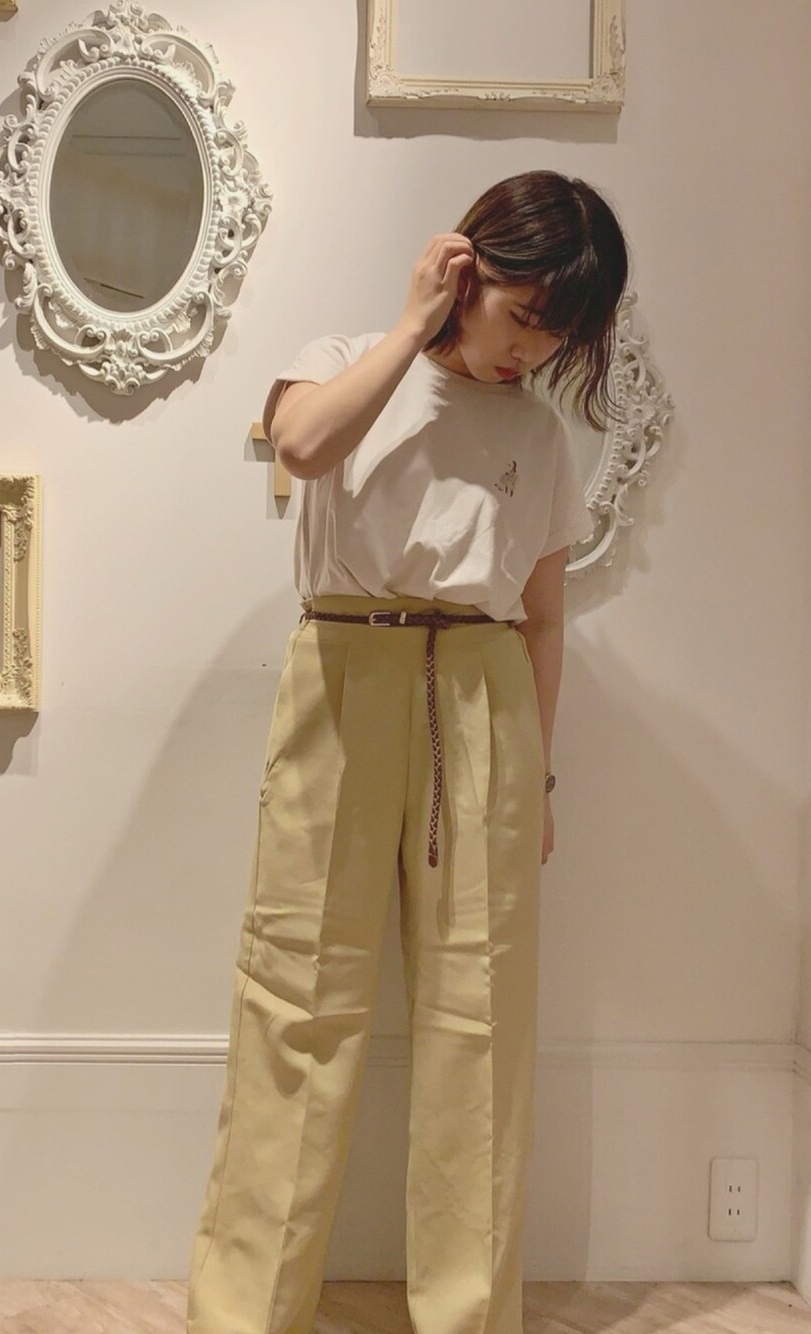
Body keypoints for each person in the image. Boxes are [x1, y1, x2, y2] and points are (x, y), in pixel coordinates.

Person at [186, 169, 629, 1334]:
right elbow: (301, 446)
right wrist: (409, 326)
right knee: (295, 998)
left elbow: (542, 618)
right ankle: (242, 1312)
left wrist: (537, 775)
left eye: (558, 335)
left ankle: (466, 1315)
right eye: (522, 315)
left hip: (481, 695)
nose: (530, 351)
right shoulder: (343, 358)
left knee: (480, 1019)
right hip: (341, 676)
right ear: (465, 268)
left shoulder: (539, 434)